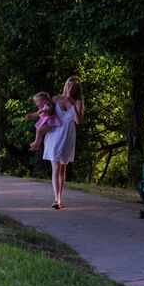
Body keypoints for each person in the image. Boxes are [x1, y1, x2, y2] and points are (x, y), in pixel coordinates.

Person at [42, 76, 84, 209]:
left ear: (77, 90)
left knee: (62, 167)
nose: (71, 89)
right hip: (55, 134)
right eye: (69, 86)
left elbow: (78, 121)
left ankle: (59, 197)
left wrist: (73, 104)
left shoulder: (77, 102)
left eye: (74, 88)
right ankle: (57, 199)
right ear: (65, 85)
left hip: (68, 135)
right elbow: (46, 113)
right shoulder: (55, 98)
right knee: (55, 166)